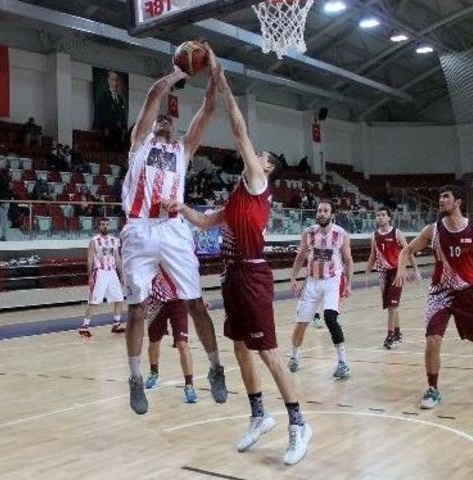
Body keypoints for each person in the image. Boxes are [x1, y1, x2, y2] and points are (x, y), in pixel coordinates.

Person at [171, 61, 312, 465]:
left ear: (267, 167)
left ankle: (299, 424)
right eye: (258, 153)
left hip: (252, 273)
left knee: (267, 351)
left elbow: (237, 129)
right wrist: (179, 206)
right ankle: (258, 415)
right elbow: (203, 221)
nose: (257, 154)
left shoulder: (257, 181)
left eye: (263, 155)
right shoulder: (237, 194)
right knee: (239, 349)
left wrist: (220, 77)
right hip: (230, 275)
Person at [121, 46, 226, 415]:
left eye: (168, 120)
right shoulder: (138, 146)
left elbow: (209, 110)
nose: (163, 120)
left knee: (195, 303)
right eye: (158, 121)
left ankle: (215, 368)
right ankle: (136, 379)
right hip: (139, 229)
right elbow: (153, 95)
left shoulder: (183, 151)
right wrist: (178, 73)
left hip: (174, 229)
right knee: (136, 309)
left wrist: (213, 71)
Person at [394, 185, 473, 409]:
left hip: (468, 294)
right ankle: (433, 389)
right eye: (440, 196)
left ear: (457, 201)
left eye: (445, 197)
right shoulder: (432, 230)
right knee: (433, 339)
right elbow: (406, 250)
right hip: (439, 294)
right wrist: (401, 269)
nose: (441, 201)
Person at [287, 200, 354, 379]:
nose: (321, 213)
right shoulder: (308, 233)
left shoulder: (341, 234)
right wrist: (293, 278)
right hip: (312, 282)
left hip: (332, 281)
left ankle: (342, 363)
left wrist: (348, 284)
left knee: (330, 318)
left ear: (332, 214)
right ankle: (294, 357)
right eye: (319, 210)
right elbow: (301, 256)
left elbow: (348, 260)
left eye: (325, 211)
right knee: (301, 324)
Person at [367, 208, 421, 349]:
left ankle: (390, 336)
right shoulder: (374, 236)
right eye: (378, 215)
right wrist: (367, 273)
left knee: (392, 305)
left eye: (383, 215)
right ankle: (397, 333)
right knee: (392, 306)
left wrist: (416, 270)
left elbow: (409, 252)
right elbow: (372, 256)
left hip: (397, 272)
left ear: (389, 218)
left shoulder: (397, 233)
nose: (380, 218)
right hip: (383, 274)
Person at [143, 268, 198, 404]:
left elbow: (188, 274)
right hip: (155, 302)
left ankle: (189, 385)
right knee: (154, 342)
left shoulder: (176, 253)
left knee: (182, 343)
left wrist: (196, 299)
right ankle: (154, 372)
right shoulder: (150, 254)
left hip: (178, 301)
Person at [80, 218, 125, 337]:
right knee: (94, 300)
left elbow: (118, 259)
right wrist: (90, 276)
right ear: (99, 227)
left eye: (107, 224)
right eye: (102, 224)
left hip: (112, 272)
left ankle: (116, 324)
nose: (105, 226)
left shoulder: (114, 240)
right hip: (99, 272)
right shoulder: (94, 241)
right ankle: (84, 326)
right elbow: (89, 260)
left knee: (119, 298)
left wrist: (122, 274)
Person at [94, 70, 128, 152]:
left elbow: (123, 114)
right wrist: (105, 127)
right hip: (109, 128)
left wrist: (123, 126)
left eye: (116, 80)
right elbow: (101, 113)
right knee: (108, 147)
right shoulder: (104, 96)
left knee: (120, 148)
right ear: (108, 80)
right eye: (113, 80)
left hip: (118, 130)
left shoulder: (120, 98)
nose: (115, 83)